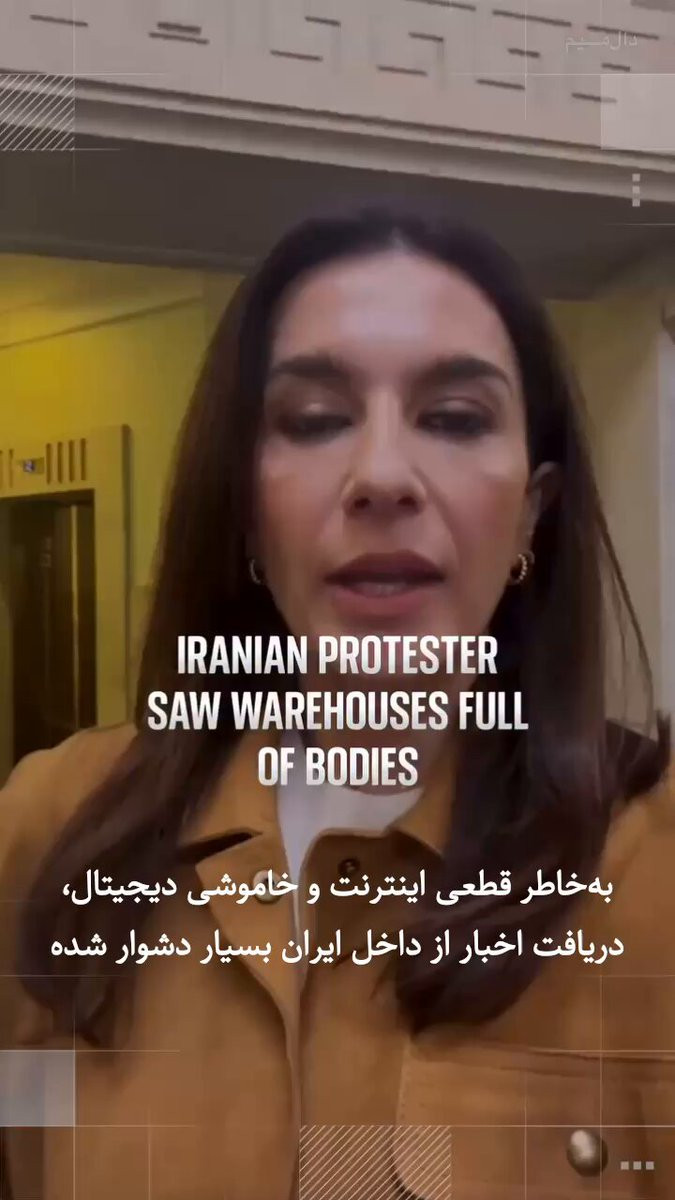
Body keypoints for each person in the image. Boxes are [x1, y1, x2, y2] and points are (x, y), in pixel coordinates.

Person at [0, 204, 672, 1200]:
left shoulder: (653, 868)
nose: (382, 477)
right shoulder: (54, 830)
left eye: (454, 418)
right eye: (315, 420)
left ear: (532, 512)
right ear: (245, 510)